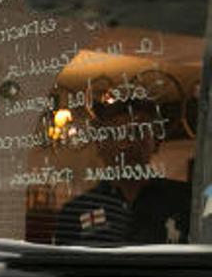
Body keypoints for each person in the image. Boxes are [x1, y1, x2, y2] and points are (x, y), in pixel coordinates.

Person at [54, 99, 191, 246]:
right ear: (100, 145)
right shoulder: (76, 211)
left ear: (155, 143)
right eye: (116, 134)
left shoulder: (184, 200)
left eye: (138, 133)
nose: (127, 143)